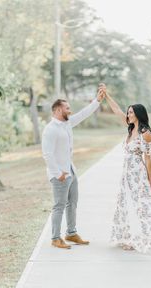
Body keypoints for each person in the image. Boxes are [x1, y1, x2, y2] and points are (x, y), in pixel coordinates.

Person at [99, 83, 151, 253]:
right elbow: (117, 110)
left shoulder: (145, 133)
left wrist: (149, 182)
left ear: (138, 114)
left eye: (131, 112)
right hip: (126, 175)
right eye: (128, 112)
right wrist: (107, 95)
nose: (128, 114)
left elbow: (148, 159)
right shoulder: (130, 128)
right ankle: (128, 237)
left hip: (138, 176)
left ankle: (137, 238)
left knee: (140, 206)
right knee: (126, 205)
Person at [42, 90, 104, 249]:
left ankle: (71, 233)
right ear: (57, 110)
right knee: (59, 206)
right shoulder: (50, 129)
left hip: (71, 171)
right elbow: (47, 154)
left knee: (72, 203)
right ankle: (55, 238)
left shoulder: (67, 123)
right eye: (67, 108)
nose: (70, 111)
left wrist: (97, 100)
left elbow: (84, 114)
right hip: (60, 175)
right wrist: (57, 174)